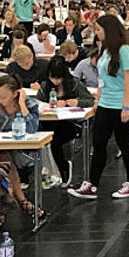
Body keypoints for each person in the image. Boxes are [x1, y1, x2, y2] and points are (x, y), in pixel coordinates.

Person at [68, 15, 129, 199]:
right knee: (98, 143)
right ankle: (92, 184)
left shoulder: (124, 50)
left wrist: (126, 107)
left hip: (121, 104)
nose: (96, 33)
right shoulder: (103, 50)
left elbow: (128, 79)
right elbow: (102, 80)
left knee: (124, 144)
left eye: (99, 29)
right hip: (105, 104)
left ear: (108, 30)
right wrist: (96, 102)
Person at [0, 74, 44, 230]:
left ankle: (2, 210)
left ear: (15, 93)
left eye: (3, 96)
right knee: (1, 160)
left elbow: (31, 128)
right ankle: (22, 201)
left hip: (23, 149)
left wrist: (22, 104)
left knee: (3, 161)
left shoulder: (29, 103)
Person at [37, 55, 95, 184]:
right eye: (52, 77)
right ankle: (60, 168)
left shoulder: (74, 84)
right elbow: (38, 104)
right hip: (49, 123)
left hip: (70, 124)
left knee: (53, 139)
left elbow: (91, 101)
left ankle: (61, 168)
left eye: (58, 78)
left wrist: (77, 102)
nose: (55, 81)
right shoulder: (45, 86)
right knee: (50, 136)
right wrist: (48, 106)